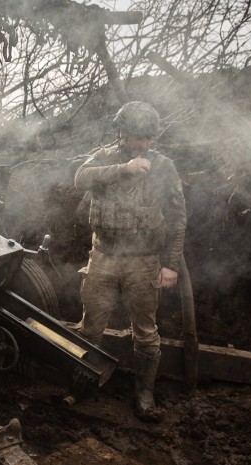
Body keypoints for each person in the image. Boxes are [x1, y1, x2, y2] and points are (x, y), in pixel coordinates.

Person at [74, 101, 187, 422]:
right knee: (91, 325)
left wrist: (171, 264)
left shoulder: (164, 167)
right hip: (103, 257)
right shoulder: (104, 158)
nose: (141, 143)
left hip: (143, 260)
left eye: (146, 138)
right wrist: (123, 169)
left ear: (154, 138)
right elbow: (79, 179)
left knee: (146, 331)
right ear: (120, 133)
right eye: (135, 136)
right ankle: (84, 381)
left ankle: (144, 393)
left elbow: (178, 218)